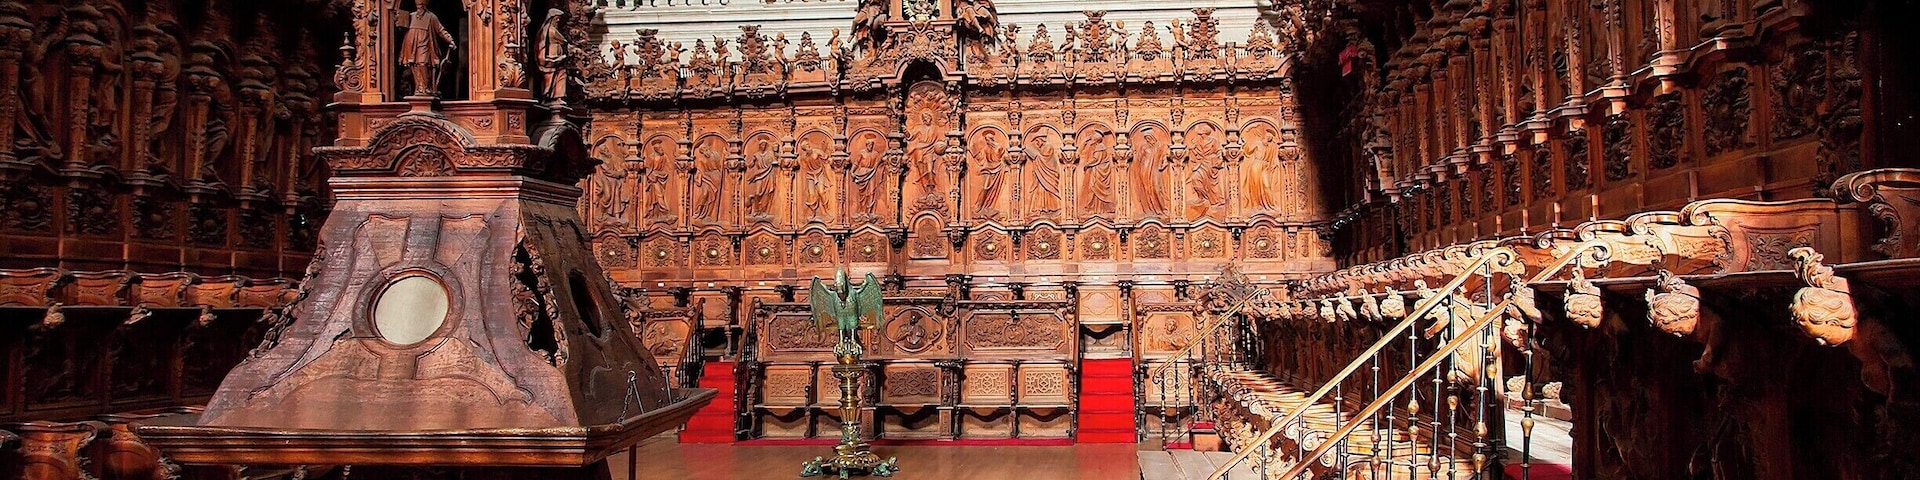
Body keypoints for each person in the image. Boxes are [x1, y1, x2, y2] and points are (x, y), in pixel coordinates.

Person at [400, 0, 456, 98]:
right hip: (412, 46)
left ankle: (426, 88)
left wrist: (450, 40)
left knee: (423, 64)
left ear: (425, 6)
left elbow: (440, 30)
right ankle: (419, 88)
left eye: (421, 6)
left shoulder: (431, 17)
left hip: (425, 45)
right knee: (415, 66)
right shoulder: (411, 16)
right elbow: (401, 25)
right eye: (417, 6)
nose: (419, 8)